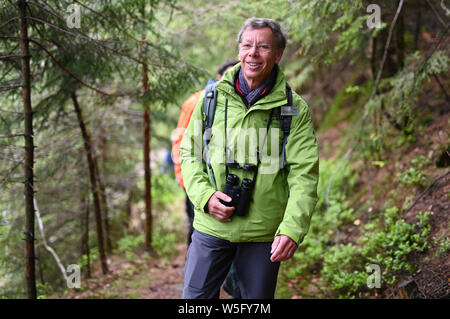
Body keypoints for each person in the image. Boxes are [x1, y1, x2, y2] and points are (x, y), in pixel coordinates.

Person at [180, 17, 319, 299]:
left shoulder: (293, 109)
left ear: (278, 54)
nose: (253, 53)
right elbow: (189, 153)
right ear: (239, 50)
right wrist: (206, 197)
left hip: (262, 233)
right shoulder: (212, 98)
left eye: (263, 47)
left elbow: (303, 174)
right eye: (247, 45)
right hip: (211, 226)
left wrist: (292, 228)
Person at [172, 59, 238, 246]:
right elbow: (180, 141)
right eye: (228, 74)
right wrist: (184, 179)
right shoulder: (198, 100)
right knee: (198, 232)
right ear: (218, 77)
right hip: (198, 181)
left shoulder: (241, 103)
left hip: (228, 182)